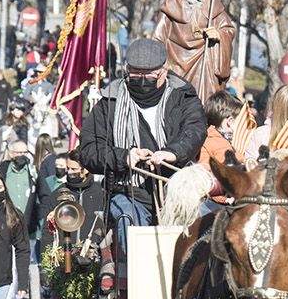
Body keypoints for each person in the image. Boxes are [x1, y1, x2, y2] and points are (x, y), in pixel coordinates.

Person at [75, 38, 207, 256]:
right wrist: (124, 157)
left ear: (164, 71)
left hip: (177, 188)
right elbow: (88, 150)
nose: (143, 80)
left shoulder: (184, 97)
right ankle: (139, 281)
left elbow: (195, 130)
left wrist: (173, 152)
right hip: (127, 190)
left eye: (150, 75)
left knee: (206, 225)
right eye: (136, 74)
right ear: (127, 70)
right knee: (129, 221)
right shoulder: (109, 102)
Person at [152, 0, 235, 101]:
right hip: (177, 61)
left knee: (205, 102)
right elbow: (159, 35)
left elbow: (228, 28)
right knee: (178, 101)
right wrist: (159, 63)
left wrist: (218, 34)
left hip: (205, 59)